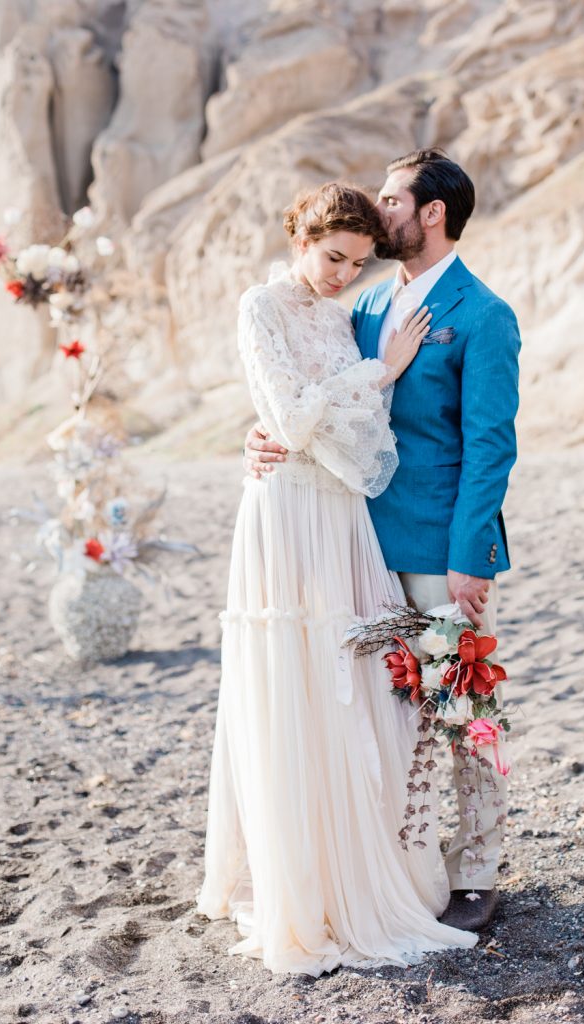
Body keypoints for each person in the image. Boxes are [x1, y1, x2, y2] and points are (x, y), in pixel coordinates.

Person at [197, 182, 478, 975]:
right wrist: (379, 373)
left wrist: (350, 396)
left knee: (350, 681)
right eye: (331, 258)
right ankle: (298, 877)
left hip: (342, 513)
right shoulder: (263, 304)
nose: (341, 275)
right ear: (300, 240)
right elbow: (288, 420)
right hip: (285, 513)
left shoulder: (342, 316)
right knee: (290, 678)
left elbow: (355, 433)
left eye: (357, 264)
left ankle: (359, 863)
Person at [245, 150, 521, 933]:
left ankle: (478, 868)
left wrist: (473, 556)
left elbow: (490, 444)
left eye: (394, 201)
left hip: (440, 549)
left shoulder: (483, 314)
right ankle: (406, 863)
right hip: (355, 541)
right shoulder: (360, 310)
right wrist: (258, 437)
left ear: (430, 214)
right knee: (383, 713)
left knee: (464, 702)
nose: (382, 210)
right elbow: (309, 398)